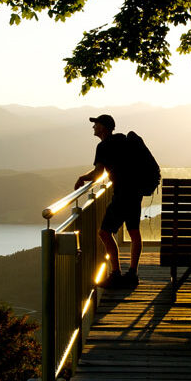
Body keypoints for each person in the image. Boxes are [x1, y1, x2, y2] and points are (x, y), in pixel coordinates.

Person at [74, 114, 142, 288]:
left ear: (103, 127)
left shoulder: (103, 146)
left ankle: (115, 273)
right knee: (134, 232)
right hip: (135, 191)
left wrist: (82, 178)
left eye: (95, 124)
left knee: (104, 232)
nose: (93, 127)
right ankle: (132, 274)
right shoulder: (124, 141)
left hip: (121, 194)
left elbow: (98, 174)